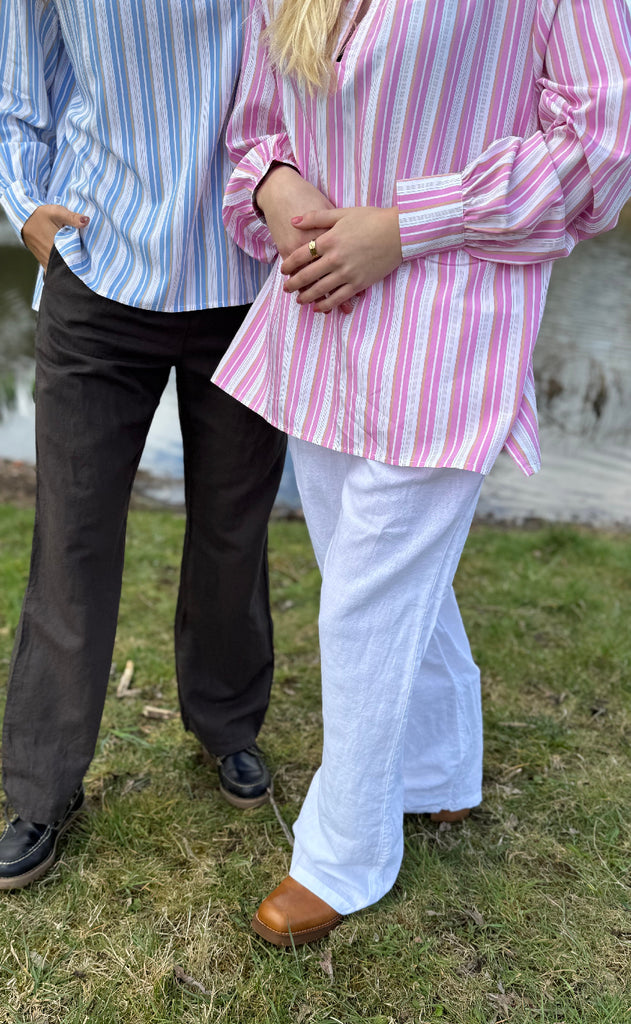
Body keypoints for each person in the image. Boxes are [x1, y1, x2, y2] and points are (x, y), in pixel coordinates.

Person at [211, 0, 631, 945]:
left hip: (453, 308)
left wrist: (408, 225)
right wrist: (275, 187)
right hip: (322, 309)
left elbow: (600, 143)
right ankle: (440, 768)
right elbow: (256, 127)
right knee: (380, 575)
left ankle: (344, 852)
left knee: (366, 594)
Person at [0, 0, 287, 890]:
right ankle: (41, 787)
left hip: (247, 275)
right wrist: (25, 204)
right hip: (98, 266)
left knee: (233, 529)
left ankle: (227, 724)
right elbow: (16, 89)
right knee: (72, 538)